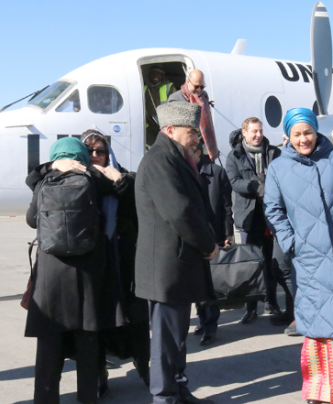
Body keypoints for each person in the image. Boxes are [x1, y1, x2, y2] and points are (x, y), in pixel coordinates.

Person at [264, 108, 333, 404]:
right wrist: (291, 242)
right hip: (308, 258)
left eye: (308, 133)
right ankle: (321, 389)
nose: (304, 139)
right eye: (297, 134)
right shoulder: (278, 168)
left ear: (316, 131)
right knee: (316, 324)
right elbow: (273, 210)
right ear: (288, 136)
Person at [135, 101, 219, 404]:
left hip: (177, 267)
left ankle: (178, 391)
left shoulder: (173, 157)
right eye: (191, 132)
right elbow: (180, 211)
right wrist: (208, 245)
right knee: (166, 342)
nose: (197, 137)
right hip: (166, 271)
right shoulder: (160, 160)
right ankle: (164, 398)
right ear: (170, 130)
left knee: (177, 339)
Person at [24, 137, 109, 404]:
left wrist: (49, 168)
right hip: (86, 274)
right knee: (87, 344)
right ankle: (88, 397)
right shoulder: (92, 179)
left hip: (51, 275)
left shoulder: (44, 182)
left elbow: (30, 220)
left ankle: (46, 399)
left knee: (49, 346)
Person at [80, 130, 150, 395]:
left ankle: (143, 365)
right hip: (94, 264)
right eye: (90, 151)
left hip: (125, 261)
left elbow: (140, 210)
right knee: (95, 321)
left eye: (101, 151)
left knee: (137, 318)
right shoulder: (78, 180)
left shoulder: (123, 177)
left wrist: (124, 184)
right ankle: (99, 373)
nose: (96, 156)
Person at [225, 117, 283, 324]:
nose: (258, 135)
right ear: (244, 133)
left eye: (260, 131)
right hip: (249, 218)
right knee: (251, 264)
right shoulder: (234, 156)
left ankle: (271, 302)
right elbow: (234, 182)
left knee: (271, 262)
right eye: (254, 132)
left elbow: (282, 177)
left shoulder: (274, 153)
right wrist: (257, 187)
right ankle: (251, 308)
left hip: (271, 217)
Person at [191, 143, 234, 345]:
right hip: (193, 235)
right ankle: (202, 318)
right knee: (197, 283)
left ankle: (211, 326)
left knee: (212, 283)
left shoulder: (217, 173)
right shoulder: (185, 171)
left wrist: (227, 233)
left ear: (198, 153)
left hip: (214, 234)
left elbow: (226, 206)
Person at [168, 69, 219, 160]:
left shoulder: (203, 95)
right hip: (187, 147)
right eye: (196, 87)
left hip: (204, 146)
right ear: (188, 82)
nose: (199, 90)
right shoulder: (175, 98)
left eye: (202, 87)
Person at [145, 65, 176, 145]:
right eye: (153, 74)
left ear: (162, 76)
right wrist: (146, 117)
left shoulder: (169, 87)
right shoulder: (144, 88)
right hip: (149, 126)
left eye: (158, 74)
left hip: (165, 125)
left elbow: (175, 106)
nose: (155, 76)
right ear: (149, 75)